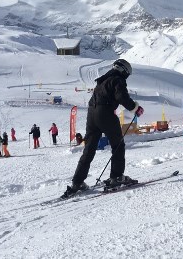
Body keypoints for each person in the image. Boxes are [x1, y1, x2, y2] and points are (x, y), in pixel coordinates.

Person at [61, 59, 144, 199]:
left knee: (89, 149)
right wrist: (135, 108)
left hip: (91, 113)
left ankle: (77, 182)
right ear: (123, 71)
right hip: (105, 112)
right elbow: (121, 96)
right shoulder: (117, 79)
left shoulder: (103, 80)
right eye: (127, 74)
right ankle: (117, 177)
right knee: (118, 144)